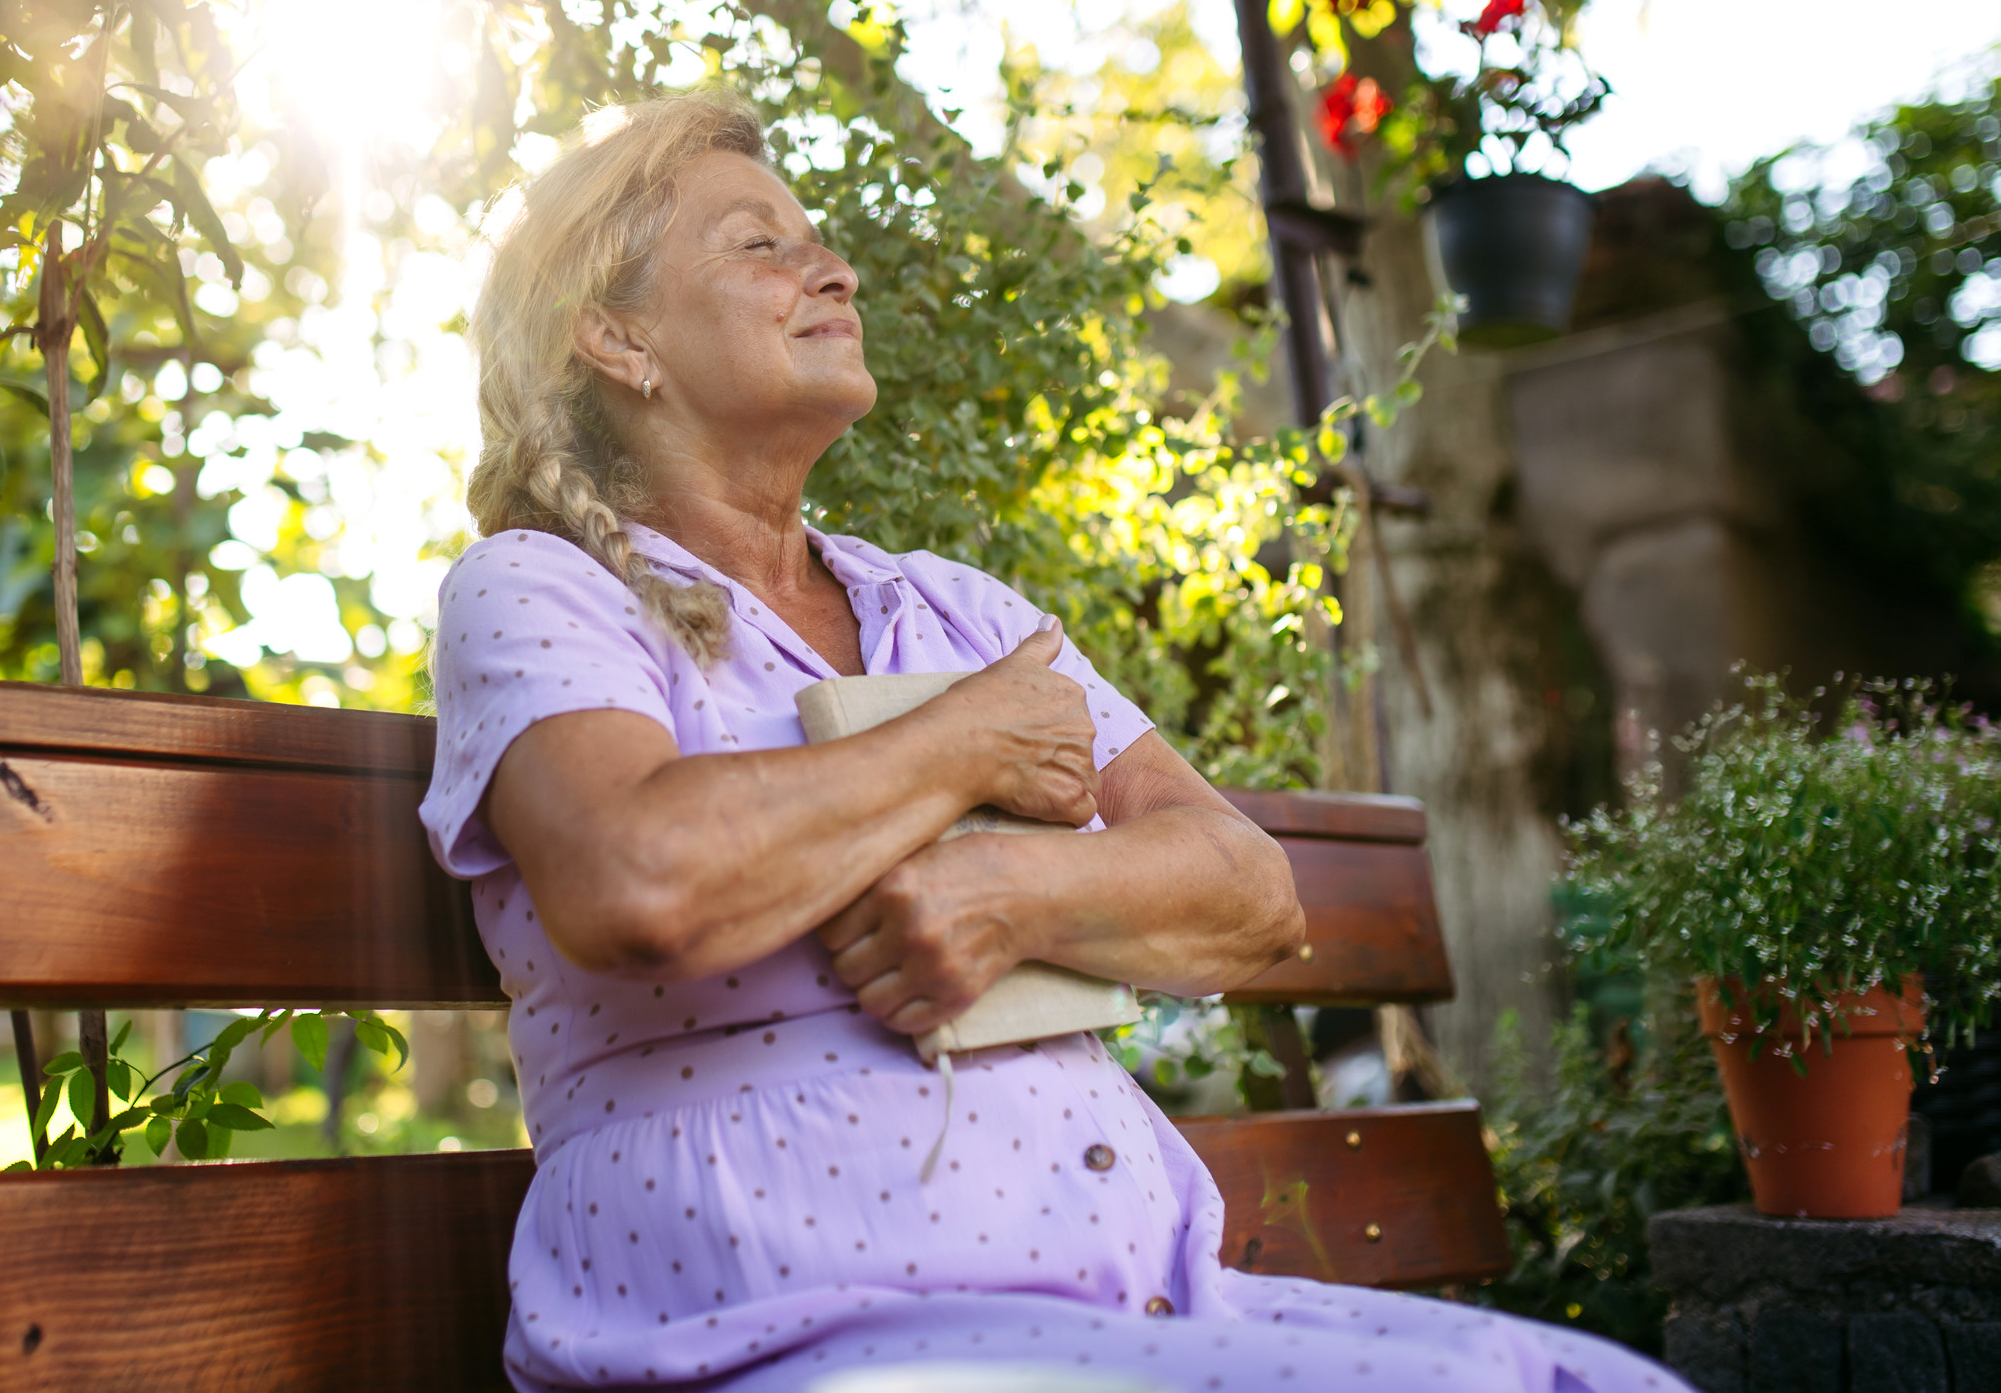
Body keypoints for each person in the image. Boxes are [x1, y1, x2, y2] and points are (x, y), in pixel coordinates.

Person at [421, 89, 1686, 1393]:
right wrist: (964, 744)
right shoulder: (542, 587)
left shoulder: (956, 609)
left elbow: (1247, 892)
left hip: (1140, 1299)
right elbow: (636, 878)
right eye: (761, 246)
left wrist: (1010, 888)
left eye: (819, 240)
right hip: (787, 1312)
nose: (835, 269)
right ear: (617, 335)